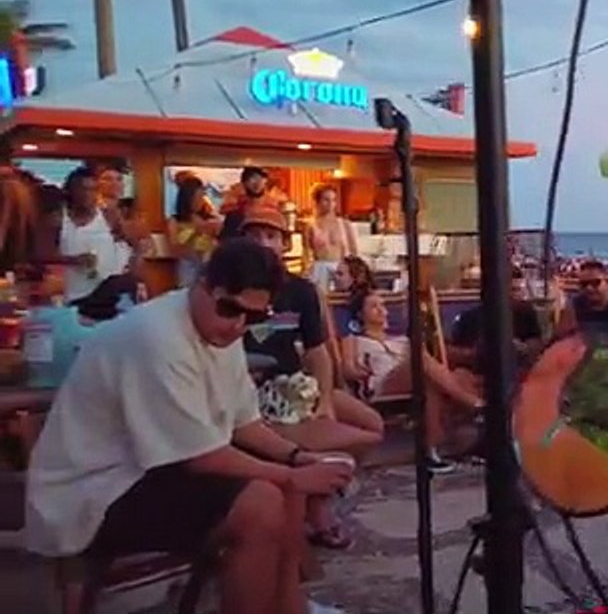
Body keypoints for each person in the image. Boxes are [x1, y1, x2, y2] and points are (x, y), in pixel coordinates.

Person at [25, 239, 353, 614]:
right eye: (231, 309)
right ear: (202, 284)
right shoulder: (157, 336)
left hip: (140, 471)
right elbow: (202, 457)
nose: (238, 325)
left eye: (254, 317)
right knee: (262, 502)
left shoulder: (218, 329)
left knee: (284, 490)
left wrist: (300, 458)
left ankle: (288, 606)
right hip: (89, 492)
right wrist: (290, 475)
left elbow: (243, 423)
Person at [238, 206, 382, 549]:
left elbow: (317, 352)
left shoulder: (300, 290)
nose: (262, 243)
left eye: (270, 236)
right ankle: (314, 513)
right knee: (313, 441)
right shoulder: (232, 287)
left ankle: (317, 495)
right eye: (254, 236)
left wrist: (327, 400)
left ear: (285, 244)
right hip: (250, 391)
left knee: (371, 426)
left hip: (297, 381)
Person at [348, 287, 484, 472]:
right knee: (419, 360)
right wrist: (359, 371)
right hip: (382, 385)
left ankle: (432, 451)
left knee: (453, 376)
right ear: (360, 315)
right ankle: (476, 405)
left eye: (383, 305)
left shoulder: (402, 340)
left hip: (414, 377)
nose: (382, 310)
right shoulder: (353, 340)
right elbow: (347, 369)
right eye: (374, 306)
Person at [60, 166, 133, 302]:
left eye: (93, 189)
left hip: (105, 297)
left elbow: (131, 245)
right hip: (69, 295)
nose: (87, 195)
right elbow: (42, 255)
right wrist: (73, 260)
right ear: (70, 192)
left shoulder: (109, 216)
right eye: (82, 189)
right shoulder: (58, 219)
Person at [449, 268, 544, 372]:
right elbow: (452, 353)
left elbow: (537, 344)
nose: (517, 296)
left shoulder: (525, 313)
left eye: (518, 290)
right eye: (512, 290)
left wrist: (523, 349)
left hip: (518, 377)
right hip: (478, 378)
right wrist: (475, 354)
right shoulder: (469, 318)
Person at [169, 176, 223, 287]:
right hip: (187, 268)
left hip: (207, 266)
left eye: (201, 197)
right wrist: (196, 232)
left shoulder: (209, 218)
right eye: (196, 198)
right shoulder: (175, 221)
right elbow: (174, 250)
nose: (199, 202)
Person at [306, 184, 358, 292]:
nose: (330, 204)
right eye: (326, 200)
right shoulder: (311, 225)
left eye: (333, 200)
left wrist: (353, 273)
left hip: (341, 268)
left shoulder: (344, 224)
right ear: (317, 202)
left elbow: (354, 251)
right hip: (320, 269)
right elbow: (306, 253)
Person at [219, 166, 271, 241]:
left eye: (261, 178)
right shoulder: (234, 202)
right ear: (244, 182)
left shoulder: (272, 203)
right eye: (253, 178)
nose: (257, 182)